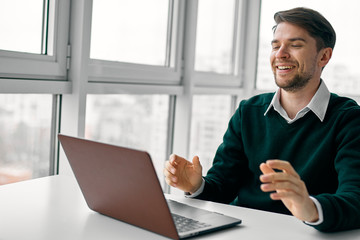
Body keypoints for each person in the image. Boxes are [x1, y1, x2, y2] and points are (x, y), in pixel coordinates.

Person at [164, 7, 360, 232]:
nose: (280, 54)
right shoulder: (249, 111)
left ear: (324, 56)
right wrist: (196, 186)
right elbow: (222, 188)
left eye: (295, 45)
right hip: (244, 233)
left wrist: (309, 207)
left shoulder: (350, 120)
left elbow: (356, 198)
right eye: (276, 45)